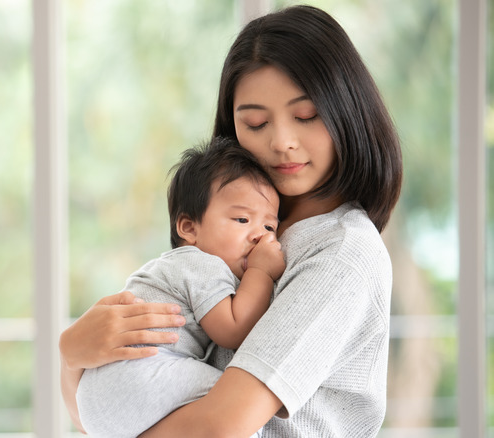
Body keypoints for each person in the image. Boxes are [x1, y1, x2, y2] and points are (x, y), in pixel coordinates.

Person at [60, 5, 402, 438]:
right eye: (255, 123)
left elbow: (217, 428)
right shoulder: (234, 233)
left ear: (347, 111)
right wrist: (71, 355)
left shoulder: (340, 252)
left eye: (306, 115)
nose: (282, 142)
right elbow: (103, 416)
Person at [77, 138, 285, 438]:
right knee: (236, 408)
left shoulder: (171, 266)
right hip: (135, 374)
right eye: (242, 219)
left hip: (98, 394)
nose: (259, 236)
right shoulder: (199, 264)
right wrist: (262, 272)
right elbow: (233, 330)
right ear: (189, 228)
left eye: (269, 227)